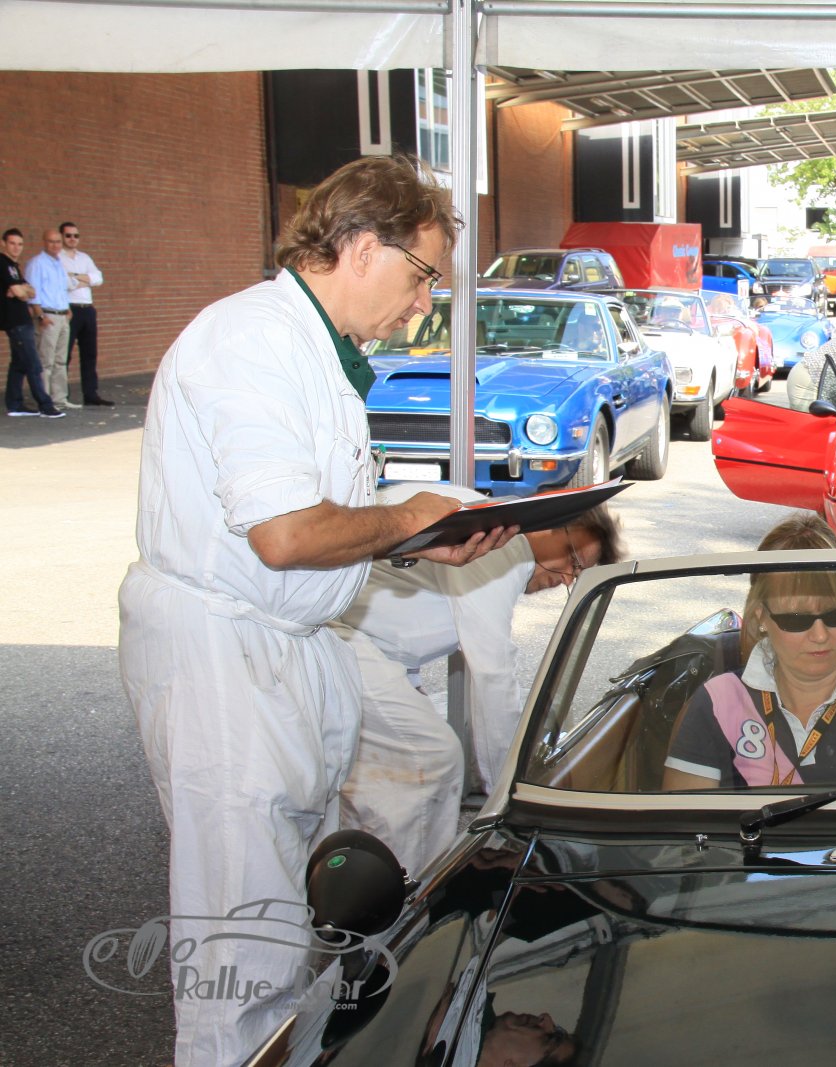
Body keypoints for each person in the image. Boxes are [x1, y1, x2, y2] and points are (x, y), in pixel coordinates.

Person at [118, 155, 520, 1067]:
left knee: (280, 919)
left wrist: (415, 542)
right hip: (226, 655)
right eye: (422, 276)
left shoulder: (314, 351)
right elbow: (287, 534)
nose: (423, 304)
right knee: (241, 946)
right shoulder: (251, 341)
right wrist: (406, 519)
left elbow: (322, 523)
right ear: (362, 247)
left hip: (280, 647)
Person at [334, 482, 622, 875]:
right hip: (344, 639)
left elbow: (398, 608)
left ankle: (361, 880)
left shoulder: (494, 527)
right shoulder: (501, 543)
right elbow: (492, 676)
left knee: (378, 783)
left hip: (364, 644)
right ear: (549, 520)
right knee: (430, 759)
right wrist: (509, 800)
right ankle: (409, 894)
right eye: (573, 559)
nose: (567, 579)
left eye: (580, 574)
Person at [662, 513, 836, 789]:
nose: (820, 635)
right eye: (796, 619)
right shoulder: (718, 703)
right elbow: (685, 819)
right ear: (761, 617)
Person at [3, 228, 61, 417]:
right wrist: (21, 291)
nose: (16, 247)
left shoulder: (14, 266)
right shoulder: (3, 263)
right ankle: (46, 406)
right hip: (15, 321)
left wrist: (22, 290)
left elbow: (32, 291)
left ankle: (14, 405)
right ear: (3, 243)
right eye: (12, 243)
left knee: (19, 364)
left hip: (23, 319)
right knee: (33, 364)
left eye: (20, 244)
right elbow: (21, 293)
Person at [60, 221, 111, 404]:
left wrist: (75, 276)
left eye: (76, 236)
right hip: (70, 308)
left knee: (89, 353)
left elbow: (98, 278)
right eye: (68, 235)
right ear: (62, 237)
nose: (72, 239)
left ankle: (90, 394)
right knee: (64, 354)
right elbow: (64, 282)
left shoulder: (84, 258)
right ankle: (62, 394)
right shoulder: (58, 258)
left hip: (87, 308)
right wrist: (84, 280)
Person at [25, 228, 75, 408]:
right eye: (51, 241)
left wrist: (68, 309)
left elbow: (61, 289)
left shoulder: (58, 263)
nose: (55, 245)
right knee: (45, 361)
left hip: (62, 316)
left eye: (58, 242)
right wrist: (40, 316)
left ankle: (59, 399)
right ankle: (44, 399)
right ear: (44, 242)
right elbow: (33, 292)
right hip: (47, 316)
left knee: (60, 361)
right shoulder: (37, 263)